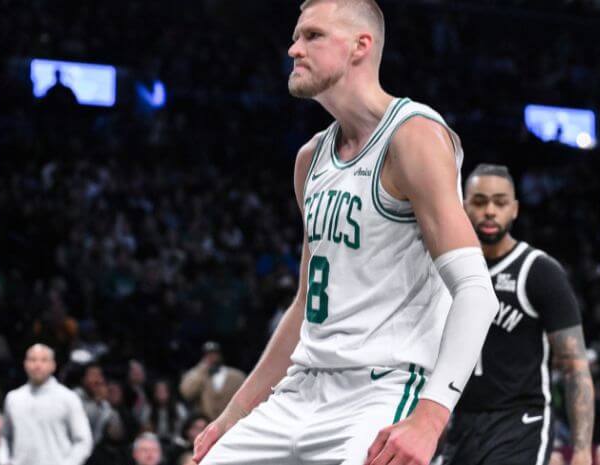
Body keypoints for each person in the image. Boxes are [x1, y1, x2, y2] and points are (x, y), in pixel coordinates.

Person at [192, 1, 499, 464]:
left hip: (379, 390)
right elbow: (303, 307)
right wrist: (234, 414)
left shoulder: (412, 136)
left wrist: (430, 418)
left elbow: (476, 290)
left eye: (312, 36)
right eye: (297, 36)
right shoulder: (310, 159)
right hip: (300, 389)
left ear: (361, 45)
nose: (294, 49)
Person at [442, 164, 595, 465]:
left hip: (521, 421)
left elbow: (575, 366)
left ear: (514, 209)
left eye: (499, 203)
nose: (489, 211)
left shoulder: (539, 271)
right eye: (480, 201)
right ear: (463, 205)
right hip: (461, 422)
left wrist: (580, 450)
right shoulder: (446, 270)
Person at [0, 344, 92, 465]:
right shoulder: (13, 398)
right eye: (32, 360)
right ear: (25, 364)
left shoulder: (68, 398)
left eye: (43, 360)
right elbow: (5, 437)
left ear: (53, 365)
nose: (37, 365)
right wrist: (4, 461)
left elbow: (83, 440)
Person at [179, 342, 245, 421]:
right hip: (204, 423)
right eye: (208, 355)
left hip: (231, 422)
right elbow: (187, 394)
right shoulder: (194, 375)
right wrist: (202, 371)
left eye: (214, 354)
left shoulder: (236, 376)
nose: (211, 357)